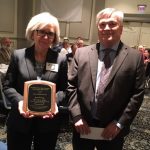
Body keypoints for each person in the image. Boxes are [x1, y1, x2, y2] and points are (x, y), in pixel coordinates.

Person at [67, 8, 145, 150]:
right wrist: (77, 116)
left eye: (112, 24)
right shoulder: (81, 53)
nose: (106, 28)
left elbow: (137, 94)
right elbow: (71, 86)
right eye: (102, 24)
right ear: (98, 28)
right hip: (83, 126)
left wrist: (119, 123)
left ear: (121, 28)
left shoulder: (135, 57)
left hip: (113, 129)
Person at [2, 12, 68, 150]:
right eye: (41, 32)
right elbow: (7, 85)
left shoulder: (60, 59)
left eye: (50, 33)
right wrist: (21, 102)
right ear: (33, 33)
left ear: (54, 37)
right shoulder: (18, 56)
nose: (45, 37)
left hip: (48, 123)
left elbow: (64, 88)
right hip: (20, 120)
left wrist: (53, 102)